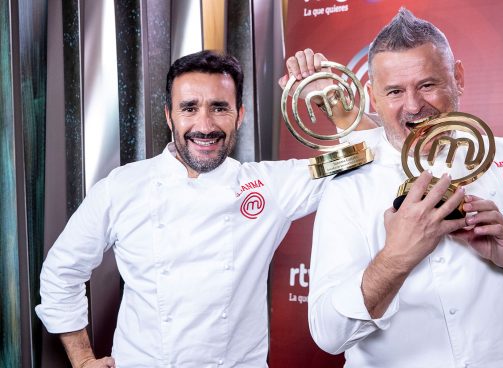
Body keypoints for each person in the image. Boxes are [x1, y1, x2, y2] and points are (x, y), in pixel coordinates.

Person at [35, 50, 371, 368]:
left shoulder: (271, 186)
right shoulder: (121, 187)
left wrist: (331, 95)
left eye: (220, 108)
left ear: (239, 115)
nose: (205, 124)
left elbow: (364, 157)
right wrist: (81, 360)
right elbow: (60, 273)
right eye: (189, 108)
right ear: (169, 115)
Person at [307, 8, 503, 368]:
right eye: (395, 91)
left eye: (428, 85)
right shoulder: (350, 183)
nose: (414, 106)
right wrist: (396, 258)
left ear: (458, 77)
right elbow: (328, 333)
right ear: (372, 96)